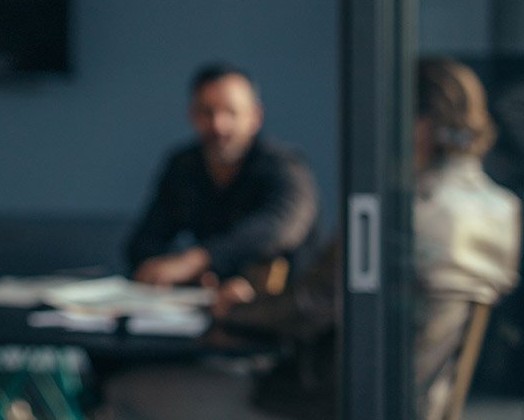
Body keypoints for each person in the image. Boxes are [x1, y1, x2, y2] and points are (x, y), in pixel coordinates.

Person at [108, 57, 522, 420]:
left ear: (420, 125)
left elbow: (309, 303)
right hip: (403, 404)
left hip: (322, 404)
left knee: (123, 392)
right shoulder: (500, 211)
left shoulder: (397, 216)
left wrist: (232, 310)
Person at [125, 63, 319, 287]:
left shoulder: (286, 165)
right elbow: (146, 240)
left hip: (289, 307)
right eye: (207, 112)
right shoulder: (184, 165)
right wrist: (157, 268)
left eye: (231, 112)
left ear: (255, 116)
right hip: (213, 303)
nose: (219, 125)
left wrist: (197, 261)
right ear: (192, 115)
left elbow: (279, 228)